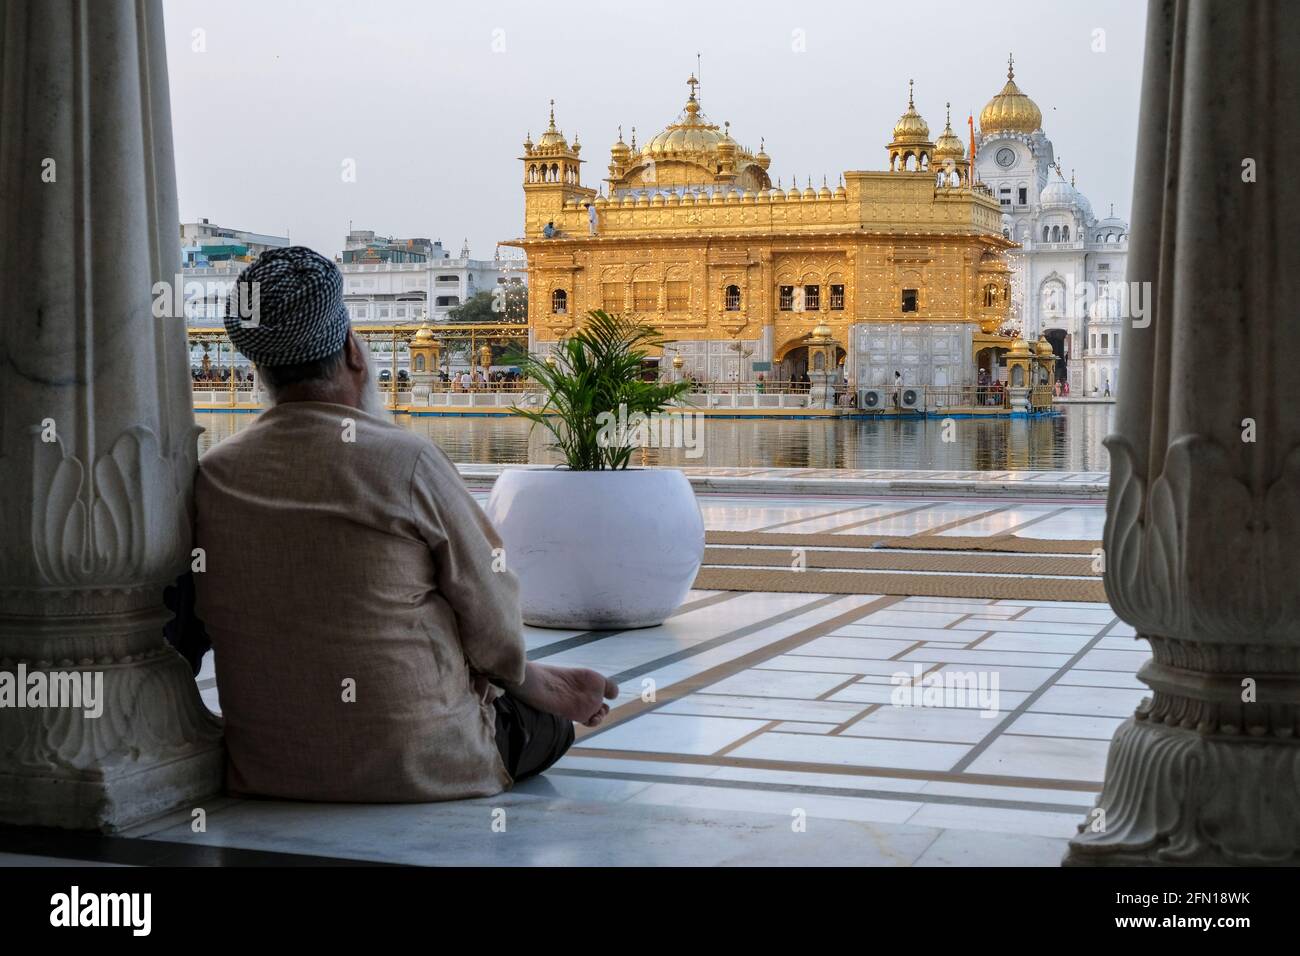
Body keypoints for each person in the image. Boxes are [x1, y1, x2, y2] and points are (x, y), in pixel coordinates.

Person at [192, 247, 617, 803]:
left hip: (270, 765)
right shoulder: (405, 461)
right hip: (423, 764)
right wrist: (535, 684)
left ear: (259, 370)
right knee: (546, 725)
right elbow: (491, 612)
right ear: (353, 353)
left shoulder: (214, 475)